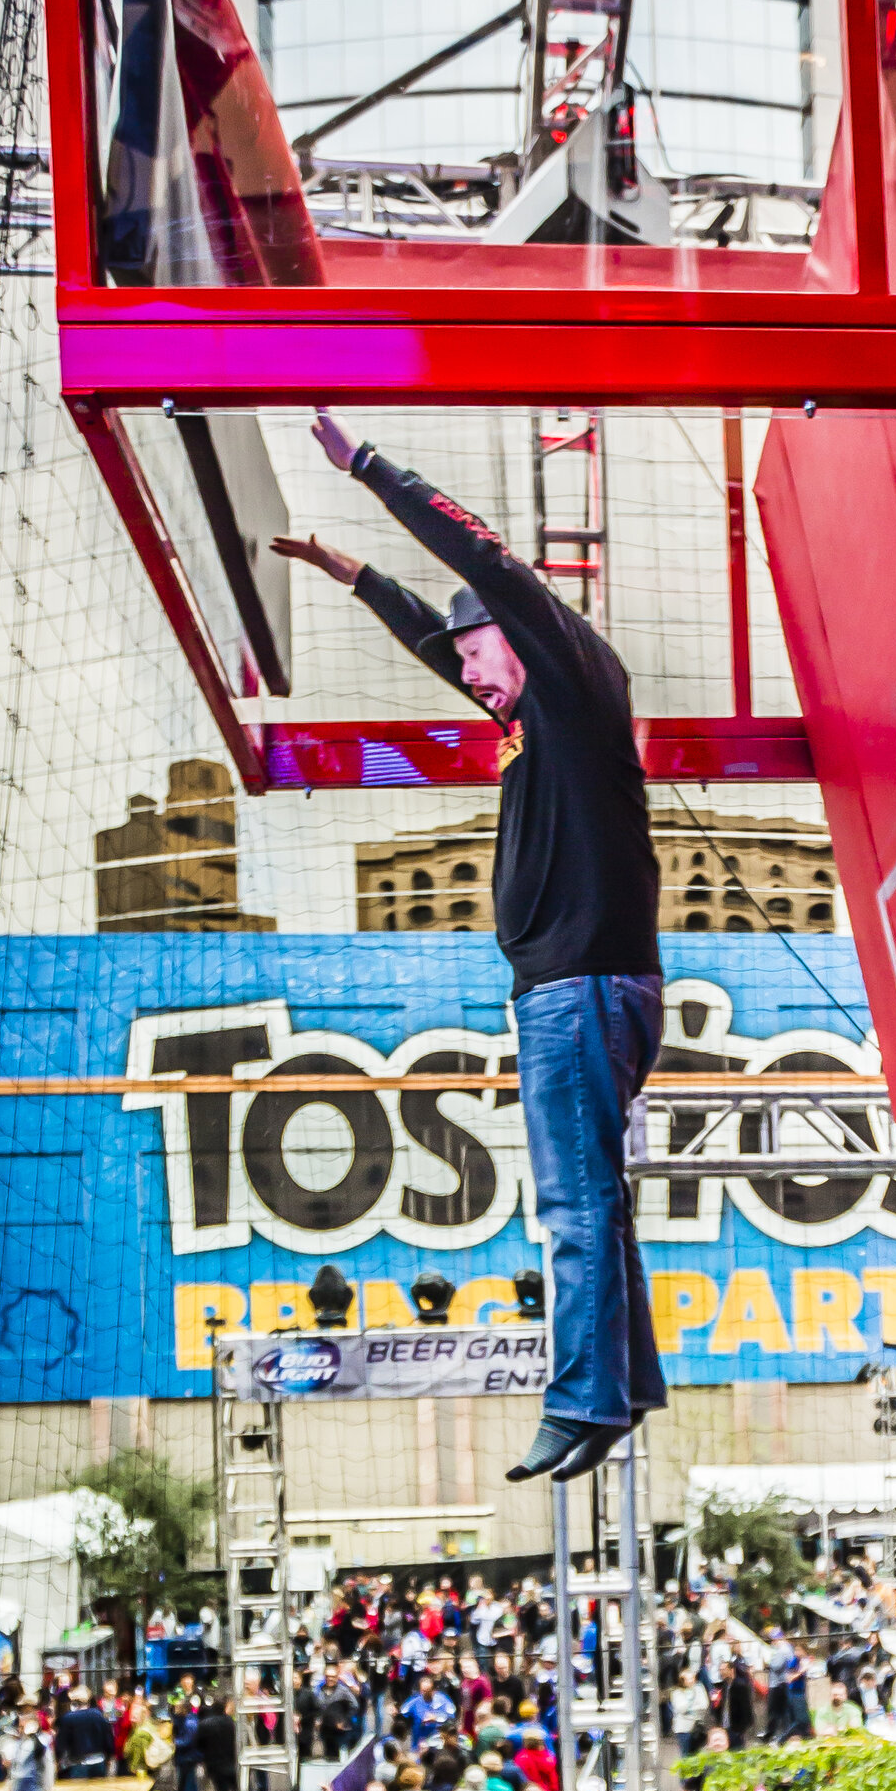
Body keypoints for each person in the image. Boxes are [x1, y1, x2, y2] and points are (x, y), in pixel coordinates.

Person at [277, 410, 664, 1481]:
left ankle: (585, 1397)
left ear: (510, 632)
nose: (471, 681)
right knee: (596, 1199)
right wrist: (353, 574)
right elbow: (434, 626)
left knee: (574, 1205)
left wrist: (365, 469)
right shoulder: (530, 716)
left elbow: (480, 556)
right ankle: (624, 1386)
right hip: (583, 985)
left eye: (475, 656)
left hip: (578, 987)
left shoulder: (573, 677)